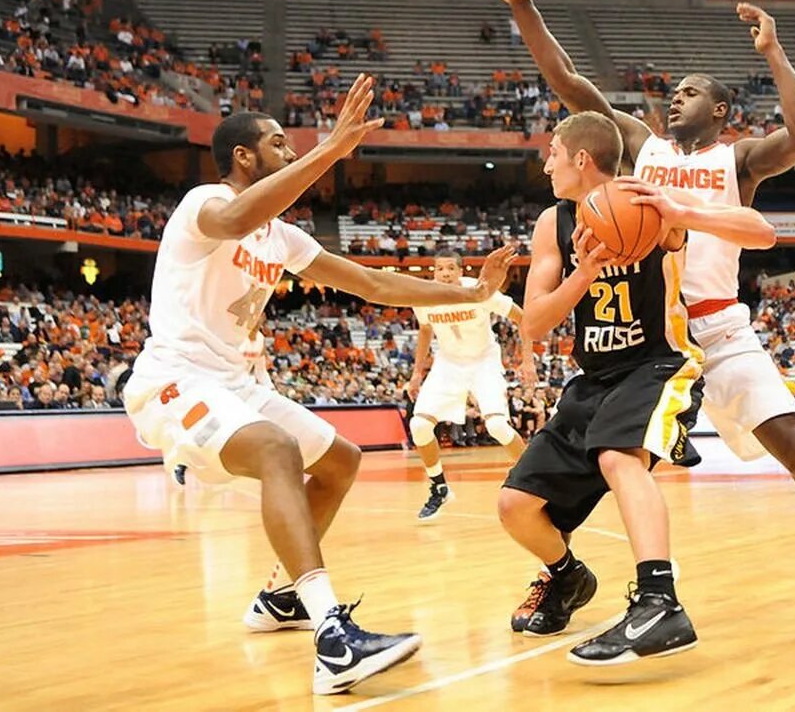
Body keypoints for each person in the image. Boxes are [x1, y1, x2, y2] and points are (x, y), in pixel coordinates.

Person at [478, 0, 795, 629]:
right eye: (673, 90)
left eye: (690, 92)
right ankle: (564, 573)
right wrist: (524, 7)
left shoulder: (738, 158)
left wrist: (774, 52)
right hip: (649, 340)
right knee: (616, 461)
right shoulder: (638, 144)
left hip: (717, 329)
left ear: (720, 111)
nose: (674, 96)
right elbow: (570, 83)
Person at [122, 75, 517, 695]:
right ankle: (332, 638)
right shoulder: (202, 203)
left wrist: (471, 292)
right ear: (243, 157)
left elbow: (376, 285)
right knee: (278, 449)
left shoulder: (281, 237)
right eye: (279, 144)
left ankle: (281, 596)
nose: (289, 150)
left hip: (231, 382)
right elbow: (233, 217)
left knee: (339, 461)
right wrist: (328, 151)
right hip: (175, 378)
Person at [499, 110, 778, 664]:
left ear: (581, 158)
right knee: (514, 505)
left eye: (552, 151)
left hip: (657, 364)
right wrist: (584, 271)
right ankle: (567, 577)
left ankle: (660, 601)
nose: (546, 162)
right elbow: (532, 323)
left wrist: (680, 213)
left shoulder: (647, 201)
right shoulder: (552, 223)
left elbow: (762, 233)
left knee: (617, 458)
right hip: (594, 378)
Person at [407, 249, 538, 520]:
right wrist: (417, 373)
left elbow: (524, 318)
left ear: (460, 271)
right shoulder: (423, 296)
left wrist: (527, 360)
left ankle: (533, 479)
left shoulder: (480, 290)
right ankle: (439, 487)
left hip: (483, 361)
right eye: (439, 268)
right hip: (448, 363)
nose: (444, 273)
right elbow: (425, 330)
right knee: (419, 426)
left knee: (498, 427)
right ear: (433, 272)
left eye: (450, 268)